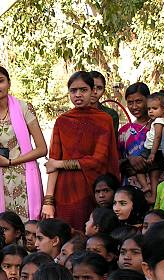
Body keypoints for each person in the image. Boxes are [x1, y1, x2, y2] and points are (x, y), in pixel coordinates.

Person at [43, 71, 120, 230]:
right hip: (65, 191)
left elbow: (98, 160)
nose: (78, 94)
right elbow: (53, 163)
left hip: (94, 188)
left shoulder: (104, 120)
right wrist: (48, 202)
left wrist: (60, 164)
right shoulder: (62, 121)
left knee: (93, 236)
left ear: (93, 92)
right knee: (65, 236)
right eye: (73, 90)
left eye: (83, 90)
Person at [0, 66, 46, 221]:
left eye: (0, 81)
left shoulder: (23, 107)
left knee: (27, 223)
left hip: (24, 175)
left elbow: (42, 149)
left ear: (9, 83)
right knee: (2, 225)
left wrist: (11, 162)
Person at [137, 91, 164, 203]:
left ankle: (147, 188)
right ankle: (156, 195)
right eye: (149, 109)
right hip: (163, 150)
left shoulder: (159, 121)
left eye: (154, 108)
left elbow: (157, 137)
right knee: (156, 174)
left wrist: (152, 154)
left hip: (151, 150)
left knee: (139, 169)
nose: (150, 111)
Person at [117, 82, 151, 178]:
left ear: (148, 99)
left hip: (159, 183)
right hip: (130, 187)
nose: (134, 107)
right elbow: (117, 161)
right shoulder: (124, 131)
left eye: (139, 101)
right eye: (130, 103)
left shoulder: (160, 125)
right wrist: (129, 159)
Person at [89, 71, 119, 136]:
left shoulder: (111, 115)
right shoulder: (73, 115)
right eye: (91, 87)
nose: (95, 91)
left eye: (99, 88)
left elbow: (112, 143)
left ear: (103, 91)